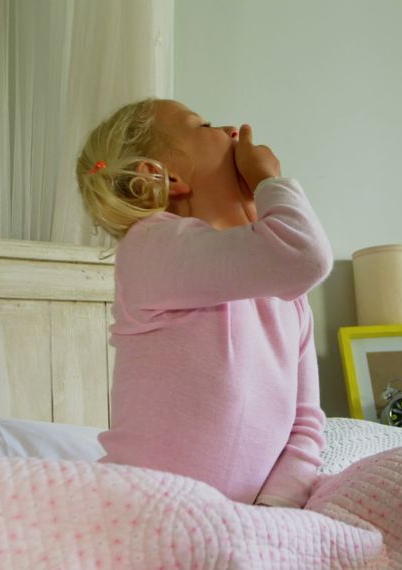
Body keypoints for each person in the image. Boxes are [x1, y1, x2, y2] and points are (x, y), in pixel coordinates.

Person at [75, 99, 332, 508]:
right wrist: (268, 180)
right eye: (206, 124)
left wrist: (274, 514)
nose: (232, 129)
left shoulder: (289, 297)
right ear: (165, 176)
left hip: (247, 526)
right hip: (142, 512)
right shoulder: (151, 249)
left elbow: (305, 426)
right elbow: (305, 255)